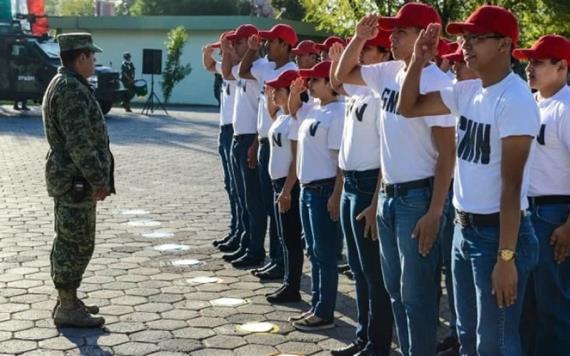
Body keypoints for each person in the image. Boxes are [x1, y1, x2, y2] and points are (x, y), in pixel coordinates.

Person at [397, 6, 540, 355]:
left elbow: (511, 187)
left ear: (505, 45)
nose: (466, 46)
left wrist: (506, 258)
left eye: (477, 39)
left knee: (497, 342)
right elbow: (408, 107)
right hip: (464, 230)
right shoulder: (468, 91)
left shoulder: (515, 98)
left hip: (498, 236)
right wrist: (418, 60)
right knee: (468, 336)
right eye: (465, 38)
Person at [336, 4, 456, 355]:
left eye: (401, 31)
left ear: (423, 36)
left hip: (418, 199)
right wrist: (359, 38)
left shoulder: (437, 81)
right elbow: (343, 75)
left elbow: (447, 153)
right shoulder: (388, 71)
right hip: (389, 197)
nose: (392, 36)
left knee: (416, 297)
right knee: (396, 294)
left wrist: (435, 211)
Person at [42, 33, 115, 328]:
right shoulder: (71, 89)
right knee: (76, 243)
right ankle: (68, 305)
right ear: (80, 58)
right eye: (91, 56)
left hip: (72, 178)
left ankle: (67, 299)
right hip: (75, 180)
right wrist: (98, 180)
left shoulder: (68, 83)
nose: (95, 61)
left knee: (72, 239)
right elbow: (80, 143)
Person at [328, 31, 394, 356]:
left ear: (383, 56)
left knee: (373, 273)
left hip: (369, 185)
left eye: (367, 50)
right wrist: (342, 53)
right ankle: (363, 336)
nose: (360, 56)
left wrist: (375, 201)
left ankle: (377, 343)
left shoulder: (383, 95)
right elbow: (337, 80)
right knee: (358, 268)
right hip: (351, 183)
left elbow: (386, 153)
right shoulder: (360, 90)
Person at [514, 34, 570, 356]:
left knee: (554, 310)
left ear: (561, 66)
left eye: (538, 61)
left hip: (553, 214)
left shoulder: (566, 106)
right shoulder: (531, 102)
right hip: (527, 214)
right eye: (529, 60)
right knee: (527, 309)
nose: (529, 67)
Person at [287, 61, 345, 331]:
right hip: (308, 190)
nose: (309, 85)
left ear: (330, 84)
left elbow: (339, 162)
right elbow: (293, 112)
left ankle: (325, 312)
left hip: (324, 190)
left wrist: (336, 194)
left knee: (325, 253)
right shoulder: (314, 108)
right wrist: (294, 93)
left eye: (315, 81)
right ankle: (316, 305)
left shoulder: (338, 112)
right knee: (313, 251)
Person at [236, 24, 299, 273]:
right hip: (265, 140)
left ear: (285, 45)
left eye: (273, 41)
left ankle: (282, 261)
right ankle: (275, 258)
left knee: (278, 207)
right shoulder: (267, 67)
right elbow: (242, 71)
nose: (267, 45)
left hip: (281, 143)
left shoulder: (292, 72)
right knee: (267, 202)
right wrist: (251, 50)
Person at [220, 24, 266, 267]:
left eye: (239, 42)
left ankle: (255, 248)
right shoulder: (242, 68)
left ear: (252, 41)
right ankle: (246, 241)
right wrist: (227, 51)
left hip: (250, 138)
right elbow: (227, 73)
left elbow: (264, 112)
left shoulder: (259, 68)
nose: (235, 46)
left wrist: (256, 143)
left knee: (253, 200)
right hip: (239, 137)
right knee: (242, 195)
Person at [202, 32, 245, 251]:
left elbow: (227, 73)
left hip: (237, 131)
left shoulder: (242, 71)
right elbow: (210, 66)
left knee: (240, 187)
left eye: (236, 44)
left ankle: (243, 234)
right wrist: (209, 52)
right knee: (231, 185)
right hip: (225, 130)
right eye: (230, 45)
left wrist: (226, 52)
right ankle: (235, 229)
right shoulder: (230, 67)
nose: (232, 49)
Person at [264, 70, 304, 303]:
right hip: (276, 183)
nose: (275, 93)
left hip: (288, 186)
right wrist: (273, 101)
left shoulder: (295, 121)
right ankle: (288, 281)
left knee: (290, 237)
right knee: (282, 235)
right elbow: (272, 115)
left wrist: (287, 190)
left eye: (279, 90)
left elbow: (296, 161)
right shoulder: (281, 117)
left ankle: (292, 285)